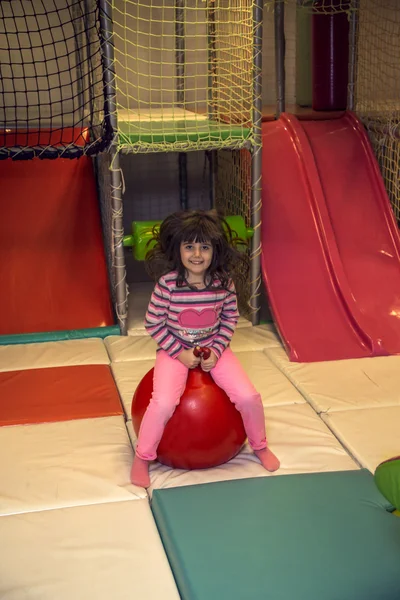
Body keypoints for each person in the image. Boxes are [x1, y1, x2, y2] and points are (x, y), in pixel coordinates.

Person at [130, 209, 280, 488]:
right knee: (163, 403)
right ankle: (142, 457)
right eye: (189, 247)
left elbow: (229, 319)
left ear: (215, 251)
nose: (197, 254)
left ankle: (259, 445)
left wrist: (217, 351)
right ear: (179, 250)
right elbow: (153, 323)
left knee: (249, 397)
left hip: (214, 350)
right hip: (174, 352)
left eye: (204, 247)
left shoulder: (223, 284)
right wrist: (179, 353)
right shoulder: (168, 285)